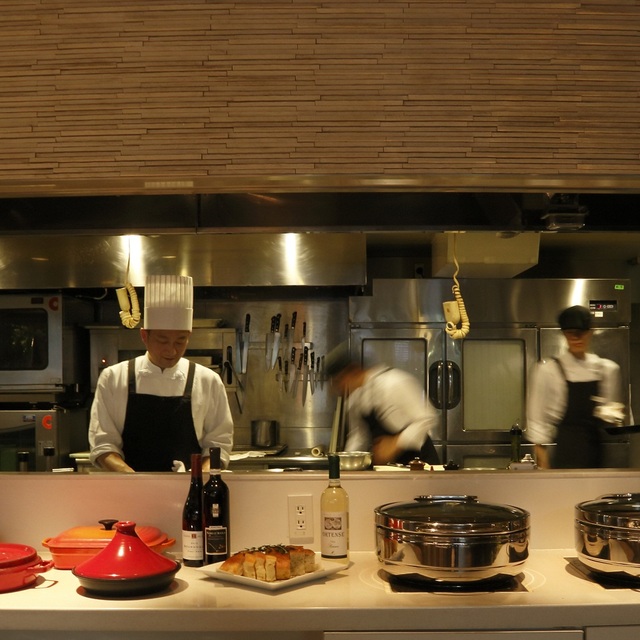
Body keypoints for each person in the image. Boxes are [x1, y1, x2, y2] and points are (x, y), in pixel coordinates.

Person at [89, 275, 233, 472]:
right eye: (162, 340)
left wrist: (199, 477)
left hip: (191, 486)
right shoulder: (113, 378)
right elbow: (103, 445)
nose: (171, 350)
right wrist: (136, 482)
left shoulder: (208, 381)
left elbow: (219, 446)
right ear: (144, 335)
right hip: (130, 487)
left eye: (180, 341)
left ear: (189, 337)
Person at [526, 305, 623, 469]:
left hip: (598, 457)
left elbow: (613, 416)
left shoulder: (607, 370)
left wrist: (612, 415)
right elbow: (537, 423)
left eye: (581, 332)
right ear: (564, 334)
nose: (576, 338)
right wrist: (544, 470)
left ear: (590, 332)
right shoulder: (547, 371)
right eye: (571, 333)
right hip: (565, 457)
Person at [324, 342, 440, 466]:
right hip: (389, 467)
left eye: (338, 381)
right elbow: (359, 436)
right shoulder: (354, 400)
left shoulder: (395, 382)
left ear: (352, 371)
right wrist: (346, 463)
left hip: (420, 463)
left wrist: (396, 443)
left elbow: (427, 418)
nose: (336, 388)